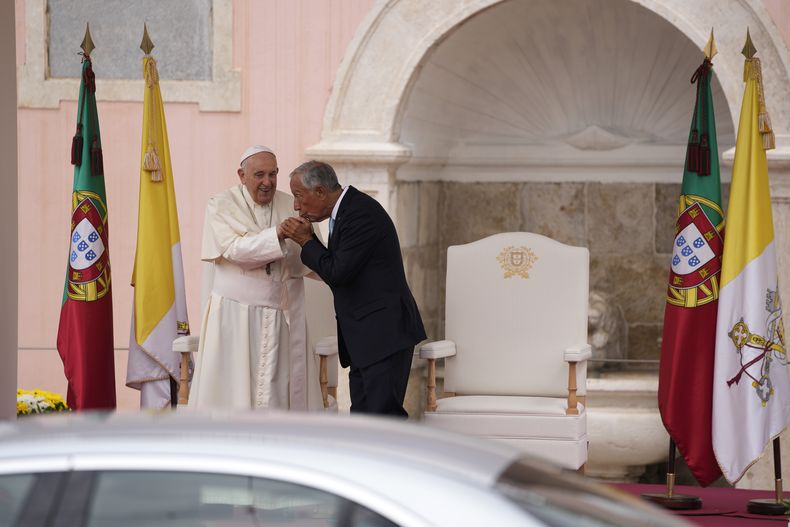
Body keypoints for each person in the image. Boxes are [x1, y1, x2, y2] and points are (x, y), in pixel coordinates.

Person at [282, 160, 426, 417]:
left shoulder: (360, 214)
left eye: (299, 196)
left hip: (383, 334)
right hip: (366, 338)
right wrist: (311, 241)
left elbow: (337, 273)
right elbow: (339, 267)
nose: (296, 206)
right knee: (363, 420)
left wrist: (305, 240)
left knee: (384, 419)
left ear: (320, 192)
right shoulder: (346, 210)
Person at [189, 146, 322, 410]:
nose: (267, 182)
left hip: (284, 316)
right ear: (242, 175)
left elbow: (311, 255)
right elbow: (235, 250)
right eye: (259, 174)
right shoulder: (220, 204)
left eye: (273, 174)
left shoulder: (293, 205)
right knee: (233, 392)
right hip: (234, 317)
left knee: (279, 390)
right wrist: (278, 235)